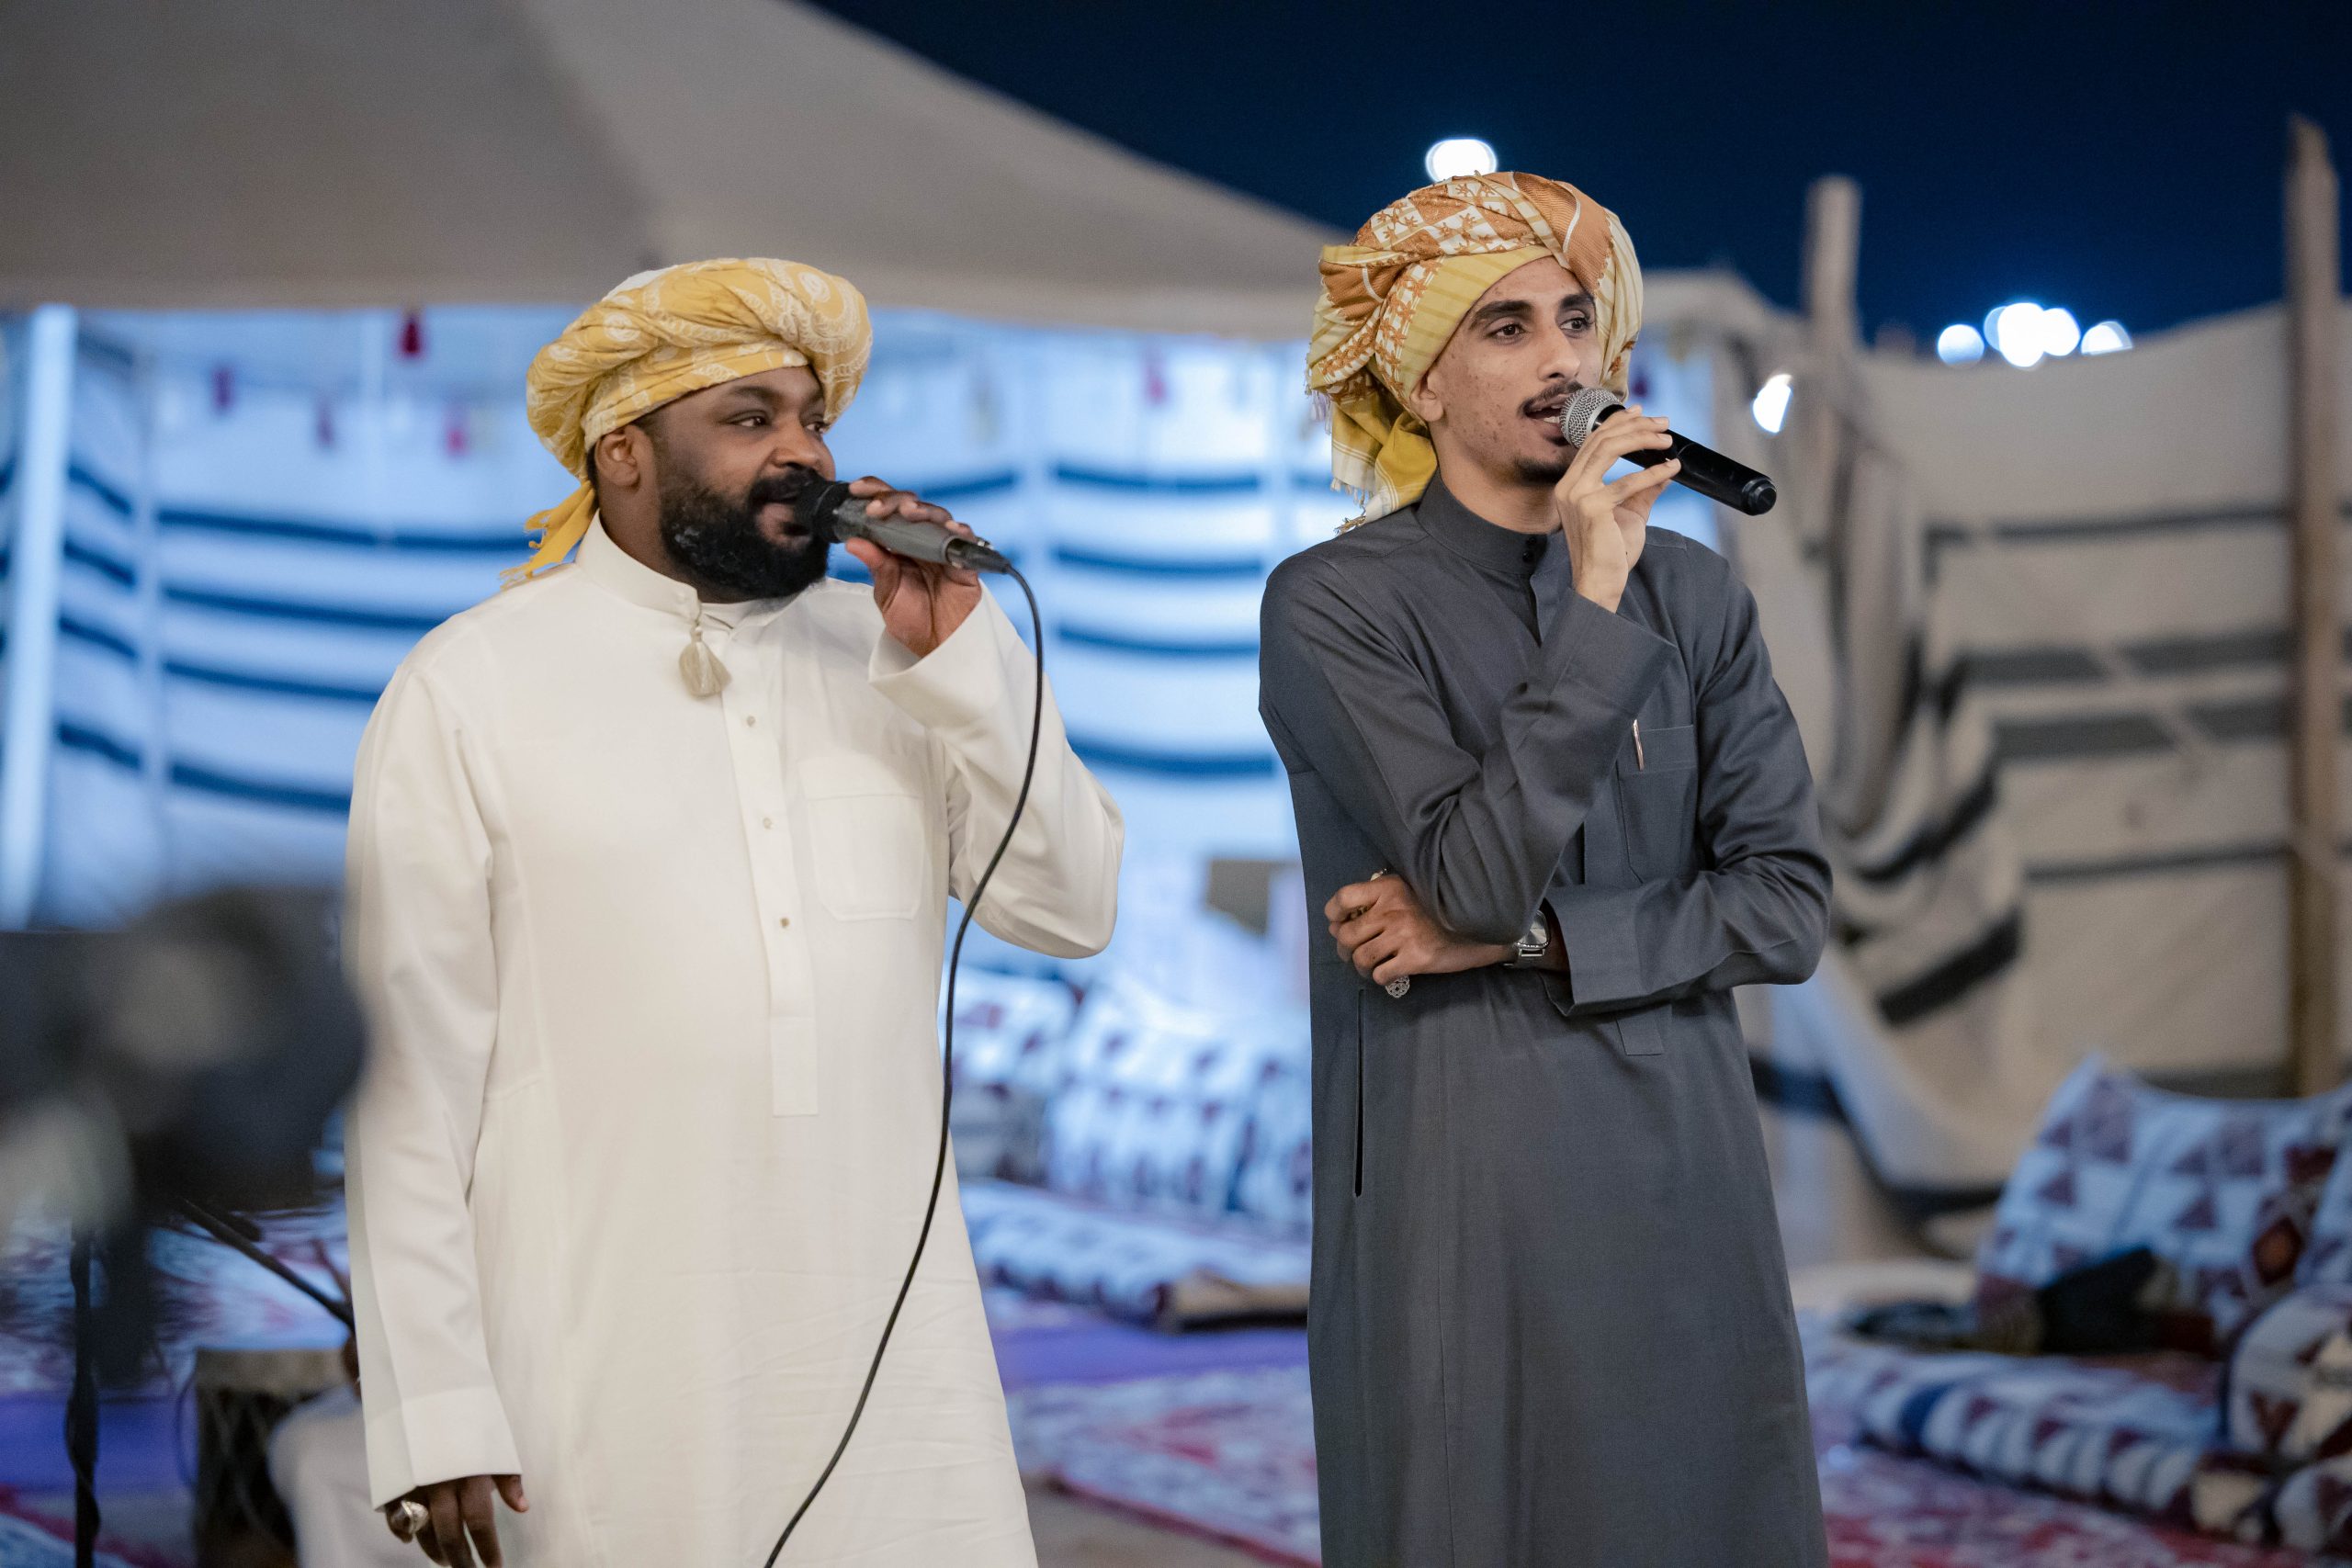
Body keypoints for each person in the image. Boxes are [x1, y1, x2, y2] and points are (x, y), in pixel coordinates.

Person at [344, 257, 1123, 1567]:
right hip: (595, 1368)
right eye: (750, 418)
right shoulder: (468, 686)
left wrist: (966, 657)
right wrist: (434, 1408)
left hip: (898, 1379)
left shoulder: (902, 653)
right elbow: (406, 1077)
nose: (802, 452)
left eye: (812, 418)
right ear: (623, 453)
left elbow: (1073, 905)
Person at [1258, 174, 1832, 1568]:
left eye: (1576, 320)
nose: (1562, 359)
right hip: (1469, 1171)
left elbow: (1788, 906)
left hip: (1687, 1165)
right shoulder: (1335, 606)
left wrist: (1535, 942)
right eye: (1505, 328)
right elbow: (1469, 881)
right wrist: (1590, 598)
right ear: (1421, 387)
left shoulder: (1696, 591)